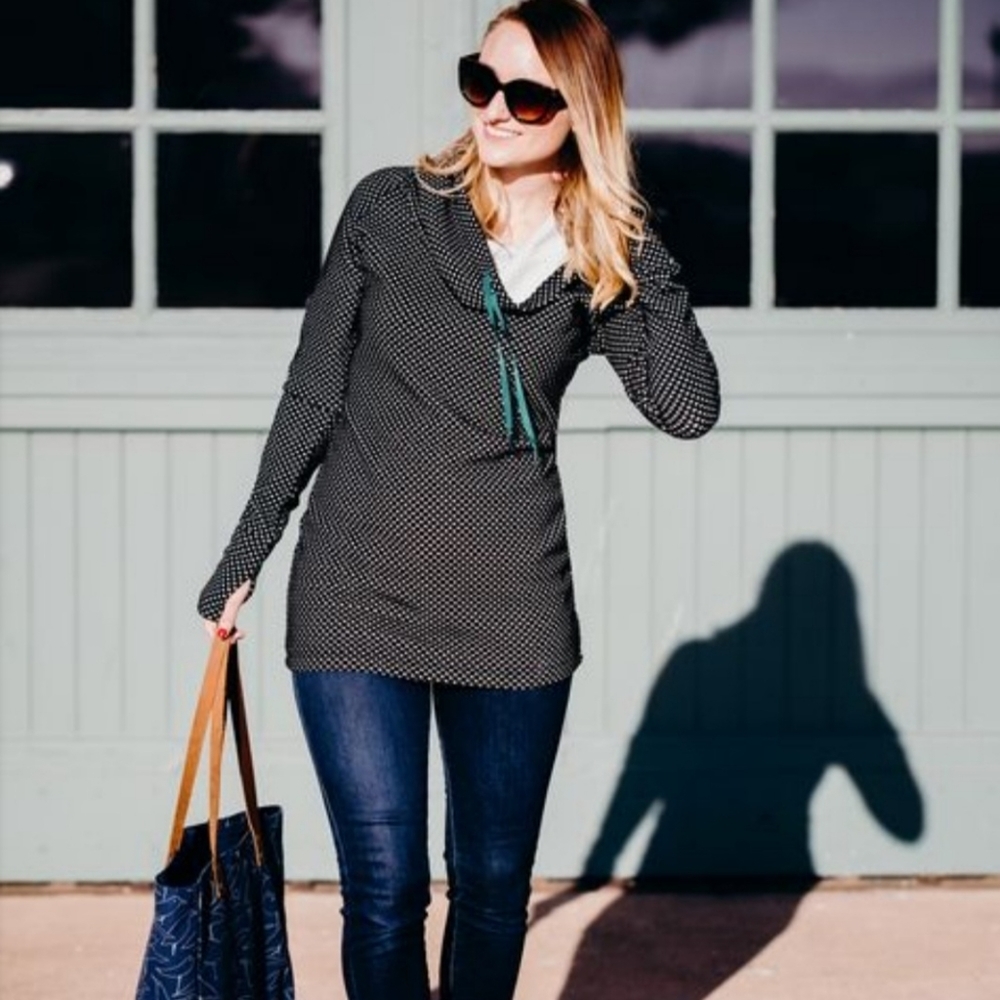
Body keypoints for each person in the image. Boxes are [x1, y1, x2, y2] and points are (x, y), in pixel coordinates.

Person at [197, 1, 720, 997]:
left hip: (513, 608)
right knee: (385, 890)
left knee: (489, 886)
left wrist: (639, 248)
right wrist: (245, 554)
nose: (497, 111)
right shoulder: (390, 208)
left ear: (582, 112)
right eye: (481, 82)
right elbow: (312, 388)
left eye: (527, 95)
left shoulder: (593, 260)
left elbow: (686, 408)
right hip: (356, 591)